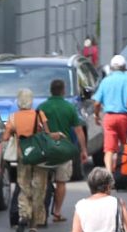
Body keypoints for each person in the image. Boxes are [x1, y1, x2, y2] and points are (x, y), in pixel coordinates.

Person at [1, 88, 53, 232]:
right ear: (31, 100)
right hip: (39, 156)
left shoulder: (12, 117)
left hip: (22, 156)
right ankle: (34, 225)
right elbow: (47, 134)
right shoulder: (39, 114)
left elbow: (5, 137)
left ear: (18, 101)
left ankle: (24, 214)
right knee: (39, 188)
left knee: (24, 187)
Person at [38, 79, 89, 222]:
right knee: (61, 182)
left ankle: (41, 212)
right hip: (64, 150)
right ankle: (57, 212)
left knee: (43, 181)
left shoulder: (42, 107)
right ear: (63, 91)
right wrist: (83, 150)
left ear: (51, 90)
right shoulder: (69, 107)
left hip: (46, 150)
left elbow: (38, 128)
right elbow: (79, 131)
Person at [94, 54, 127, 173]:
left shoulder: (105, 81)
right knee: (125, 147)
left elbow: (97, 103)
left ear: (111, 67)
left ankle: (109, 174)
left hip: (109, 117)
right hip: (124, 118)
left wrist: (96, 115)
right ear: (124, 67)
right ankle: (125, 171)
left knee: (109, 150)